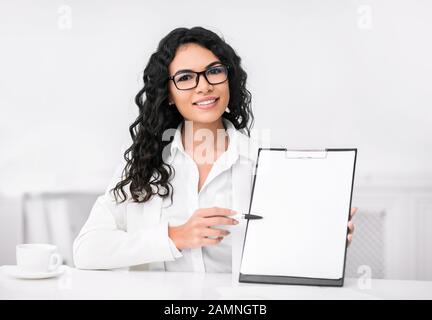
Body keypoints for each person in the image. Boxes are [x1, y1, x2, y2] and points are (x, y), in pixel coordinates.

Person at [73, 26, 357, 271]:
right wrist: (175, 236)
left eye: (214, 72)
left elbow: (293, 256)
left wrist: (324, 238)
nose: (204, 86)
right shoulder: (143, 164)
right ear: (168, 94)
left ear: (228, 80)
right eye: (185, 77)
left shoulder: (265, 164)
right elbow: (87, 250)